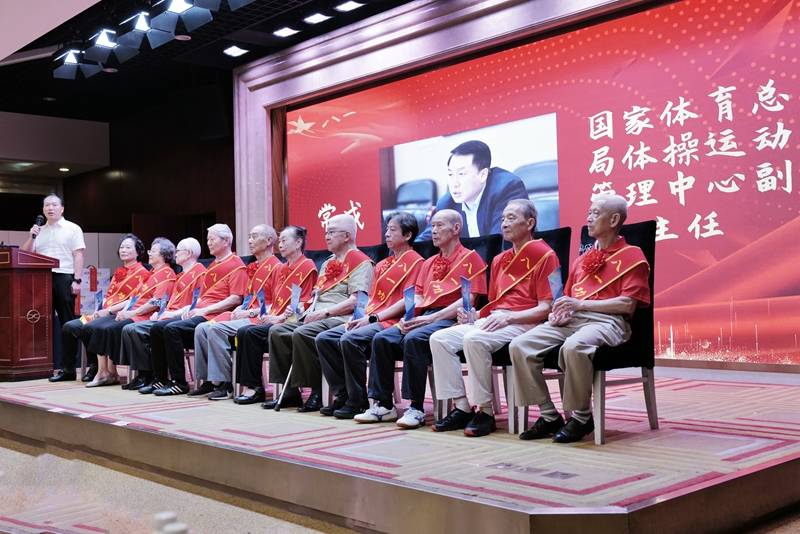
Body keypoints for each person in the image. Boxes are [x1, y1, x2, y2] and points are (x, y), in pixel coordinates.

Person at [510, 195, 651, 443]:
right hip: (574, 320)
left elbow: (627, 305)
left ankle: (582, 417)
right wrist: (558, 313)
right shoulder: (581, 259)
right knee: (520, 345)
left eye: (596, 213)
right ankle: (548, 414)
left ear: (614, 220)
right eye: (589, 213)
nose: (589, 218)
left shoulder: (633, 255)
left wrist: (581, 305)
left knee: (574, 347)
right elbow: (566, 298)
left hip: (608, 321)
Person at [428, 200, 559, 436]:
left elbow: (547, 308)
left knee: (475, 339)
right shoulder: (500, 259)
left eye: (511, 218)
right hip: (497, 319)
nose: (504, 223)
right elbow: (496, 304)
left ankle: (485, 412)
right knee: (439, 339)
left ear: (530, 223)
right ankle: (462, 407)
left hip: (526, 321)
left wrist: (510, 318)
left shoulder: (546, 256)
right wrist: (474, 315)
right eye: (503, 219)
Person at [364, 209, 487, 429]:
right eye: (432, 226)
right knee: (382, 339)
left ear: (456, 228)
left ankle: (416, 407)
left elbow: (469, 300)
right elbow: (419, 296)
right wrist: (409, 317)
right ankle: (383, 405)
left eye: (439, 225)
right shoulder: (429, 263)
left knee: (414, 338)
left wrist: (432, 319)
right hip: (426, 316)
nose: (434, 230)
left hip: (451, 318)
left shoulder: (471, 258)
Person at [316, 212, 423, 419]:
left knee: (350, 339)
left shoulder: (416, 263)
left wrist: (373, 318)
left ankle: (359, 401)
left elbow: (408, 300)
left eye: (392, 230)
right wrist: (359, 317)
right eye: (386, 229)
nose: (387, 234)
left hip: (391, 321)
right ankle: (344, 394)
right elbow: (369, 298)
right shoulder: (383, 264)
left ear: (408, 235)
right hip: (370, 317)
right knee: (325, 338)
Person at [266, 214, 373, 412]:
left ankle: (316, 391)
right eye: (326, 232)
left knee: (303, 333)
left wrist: (323, 314)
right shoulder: (327, 263)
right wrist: (302, 309)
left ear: (347, 236)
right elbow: (316, 297)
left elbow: (356, 301)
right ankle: (289, 393)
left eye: (332, 232)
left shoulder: (361, 262)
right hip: (317, 314)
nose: (327, 236)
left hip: (340, 317)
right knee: (277, 331)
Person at [149, 224, 248, 396]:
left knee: (172, 329)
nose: (208, 243)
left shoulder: (236, 265)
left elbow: (235, 298)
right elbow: (201, 298)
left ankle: (180, 382)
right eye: (208, 239)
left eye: (212, 239)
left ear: (226, 241)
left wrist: (204, 310)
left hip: (216, 314)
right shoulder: (212, 266)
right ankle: (165, 379)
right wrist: (188, 309)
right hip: (201, 311)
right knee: (158, 328)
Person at [188, 224, 282, 401]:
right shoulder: (253, 267)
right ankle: (210, 381)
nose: (249, 241)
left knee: (216, 329)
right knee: (201, 328)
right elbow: (247, 298)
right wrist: (241, 309)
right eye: (249, 236)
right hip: (245, 313)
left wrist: (249, 312)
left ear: (269, 241)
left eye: (254, 236)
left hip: (258, 318)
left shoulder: (276, 267)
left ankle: (224, 383)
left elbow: (277, 304)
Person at [233, 226, 317, 405]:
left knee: (251, 333)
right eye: (280, 241)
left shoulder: (307, 266)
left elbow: (305, 302)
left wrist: (280, 318)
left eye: (284, 240)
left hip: (294, 320)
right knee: (244, 332)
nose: (280, 245)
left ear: (298, 242)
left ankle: (279, 391)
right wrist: (269, 315)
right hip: (276, 318)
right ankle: (254, 386)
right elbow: (275, 301)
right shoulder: (281, 268)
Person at [53, 234, 150, 384]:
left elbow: (134, 300)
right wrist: (99, 310)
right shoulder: (119, 271)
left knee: (92, 327)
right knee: (71, 326)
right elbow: (109, 295)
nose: (123, 250)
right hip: (103, 312)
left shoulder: (143, 273)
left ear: (138, 252)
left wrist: (108, 311)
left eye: (128, 247)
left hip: (116, 314)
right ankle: (77, 368)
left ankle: (99, 369)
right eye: (122, 247)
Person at [85, 238, 178, 391]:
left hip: (145, 316)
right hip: (134, 313)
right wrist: (124, 311)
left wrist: (131, 313)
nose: (149, 253)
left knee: (114, 329)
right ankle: (107, 372)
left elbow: (157, 302)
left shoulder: (167, 273)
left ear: (164, 255)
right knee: (98, 327)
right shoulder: (152, 273)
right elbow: (134, 298)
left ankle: (144, 375)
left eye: (153, 251)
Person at [121, 238, 206, 394]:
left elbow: (196, 303)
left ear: (188, 253)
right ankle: (158, 379)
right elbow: (167, 301)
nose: (175, 254)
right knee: (153, 328)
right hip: (169, 315)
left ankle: (177, 381)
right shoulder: (181, 274)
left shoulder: (199, 273)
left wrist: (170, 313)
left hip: (184, 316)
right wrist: (160, 312)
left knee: (161, 328)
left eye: (178, 251)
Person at [22, 194, 86, 381]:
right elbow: (25, 254)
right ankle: (41, 365)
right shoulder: (39, 230)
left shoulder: (72, 228)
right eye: (47, 205)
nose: (50, 208)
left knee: (67, 323)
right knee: (40, 322)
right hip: (41, 279)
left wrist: (77, 280)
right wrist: (31, 236)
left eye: (54, 205)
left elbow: (79, 255)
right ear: (43, 210)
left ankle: (68, 369)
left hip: (64, 277)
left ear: (62, 208)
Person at [416, 140, 527, 241]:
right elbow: (427, 239)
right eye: (450, 174)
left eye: (461, 174)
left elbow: (500, 241)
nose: (454, 183)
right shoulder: (447, 203)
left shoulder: (506, 189)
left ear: (483, 175)